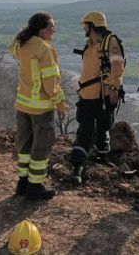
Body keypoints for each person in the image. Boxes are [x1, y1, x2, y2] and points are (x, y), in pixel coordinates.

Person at [10, 12, 67, 199]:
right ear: (42, 29)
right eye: (51, 26)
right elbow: (51, 82)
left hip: (23, 105)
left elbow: (13, 48)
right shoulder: (44, 49)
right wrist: (60, 103)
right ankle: (35, 187)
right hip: (41, 108)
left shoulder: (23, 45)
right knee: (41, 147)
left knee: (25, 147)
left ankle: (23, 183)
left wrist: (25, 32)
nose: (54, 30)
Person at [69, 11, 125, 185]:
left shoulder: (110, 41)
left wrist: (115, 88)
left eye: (86, 26)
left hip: (102, 94)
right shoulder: (91, 44)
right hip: (88, 95)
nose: (85, 29)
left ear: (93, 26)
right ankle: (78, 165)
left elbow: (117, 65)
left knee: (103, 126)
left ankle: (101, 156)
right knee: (85, 129)